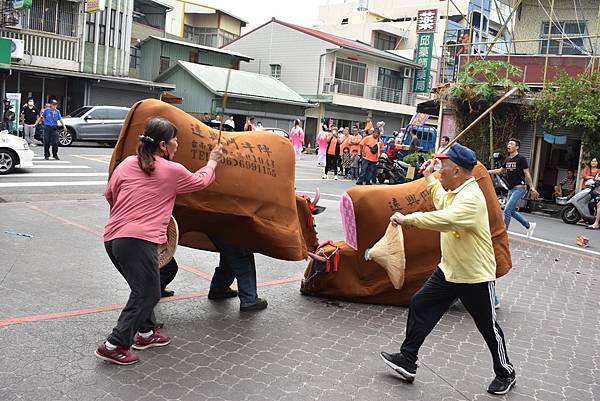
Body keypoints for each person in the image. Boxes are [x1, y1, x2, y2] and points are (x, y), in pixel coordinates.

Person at [380, 143, 516, 396]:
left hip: (475, 275)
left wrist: (407, 219)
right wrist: (430, 177)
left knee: (488, 327)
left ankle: (506, 372)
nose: (441, 171)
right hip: (449, 270)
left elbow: (444, 219)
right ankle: (408, 360)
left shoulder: (472, 199)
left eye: (444, 168)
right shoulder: (456, 189)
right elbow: (442, 202)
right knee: (420, 303)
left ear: (457, 171)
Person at [95, 117, 224, 366]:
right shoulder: (170, 170)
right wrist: (213, 160)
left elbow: (110, 194)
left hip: (113, 239)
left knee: (142, 289)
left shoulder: (127, 164)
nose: (177, 144)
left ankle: (145, 333)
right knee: (147, 293)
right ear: (164, 145)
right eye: (176, 140)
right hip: (137, 241)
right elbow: (201, 181)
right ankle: (114, 344)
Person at [488, 138, 538, 237]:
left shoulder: (521, 159)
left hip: (520, 188)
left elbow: (527, 173)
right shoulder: (507, 159)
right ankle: (528, 225)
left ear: (517, 147)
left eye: (511, 144)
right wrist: (487, 171)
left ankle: (503, 233)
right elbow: (501, 170)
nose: (509, 145)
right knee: (511, 211)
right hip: (511, 188)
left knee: (506, 210)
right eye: (508, 144)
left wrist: (532, 187)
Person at [207, 237, 268, 311]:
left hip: (217, 230)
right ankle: (249, 300)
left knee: (228, 254)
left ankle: (219, 289)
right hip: (231, 231)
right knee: (241, 257)